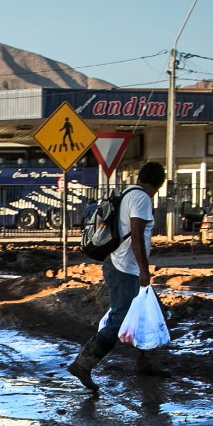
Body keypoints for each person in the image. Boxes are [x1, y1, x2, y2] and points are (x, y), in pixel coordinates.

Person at [68, 162, 170, 394]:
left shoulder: (126, 193)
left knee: (149, 313)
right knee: (120, 319)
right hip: (125, 267)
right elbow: (136, 235)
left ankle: (145, 362)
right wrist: (145, 270)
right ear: (158, 184)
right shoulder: (142, 198)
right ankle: (83, 364)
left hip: (122, 265)